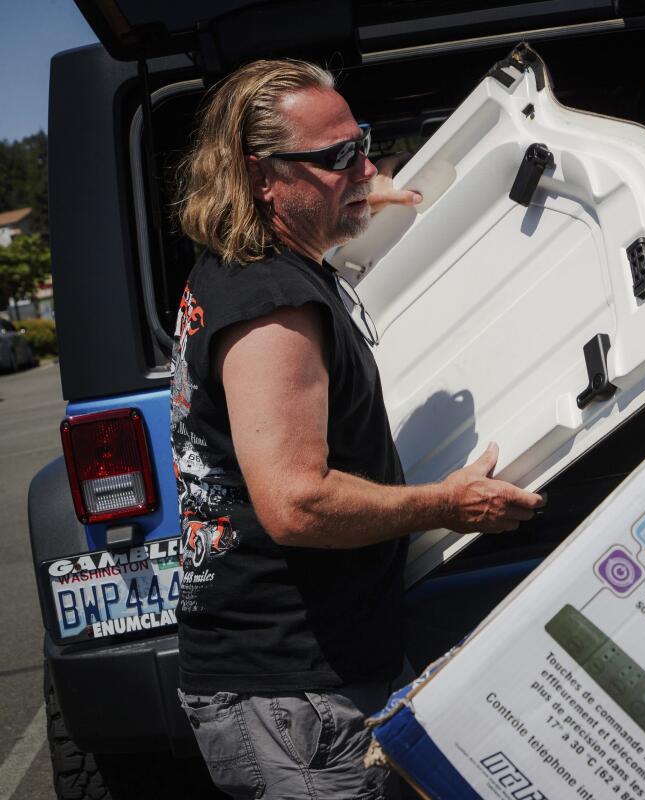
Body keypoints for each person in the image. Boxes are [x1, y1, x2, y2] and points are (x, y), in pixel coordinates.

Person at [168, 58, 543, 799]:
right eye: (339, 155)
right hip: (296, 696)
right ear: (263, 177)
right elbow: (296, 503)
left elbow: (346, 190)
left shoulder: (255, 263)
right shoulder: (271, 303)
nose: (364, 164)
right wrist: (446, 505)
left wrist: (364, 190)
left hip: (309, 674)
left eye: (361, 142)